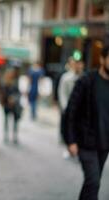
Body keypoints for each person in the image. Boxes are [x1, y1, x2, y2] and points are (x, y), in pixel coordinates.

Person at [65, 45, 109, 200]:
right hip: (86, 142)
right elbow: (71, 111)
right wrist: (71, 140)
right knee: (93, 181)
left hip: (104, 144)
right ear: (103, 59)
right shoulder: (87, 80)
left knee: (91, 184)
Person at [58, 58, 84, 146]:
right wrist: (64, 106)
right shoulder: (66, 77)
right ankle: (64, 137)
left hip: (78, 107)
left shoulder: (84, 77)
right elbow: (62, 92)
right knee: (65, 122)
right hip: (67, 105)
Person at [0, 70, 22, 144]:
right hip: (6, 105)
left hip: (15, 106)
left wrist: (13, 99)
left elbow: (19, 94)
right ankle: (6, 136)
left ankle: (14, 136)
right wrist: (3, 101)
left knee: (15, 122)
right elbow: (1, 94)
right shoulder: (4, 84)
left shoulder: (15, 84)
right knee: (6, 121)